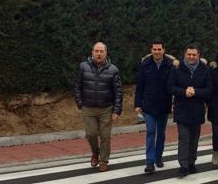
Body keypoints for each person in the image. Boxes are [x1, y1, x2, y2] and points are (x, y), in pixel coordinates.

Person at [74, 42, 123, 172]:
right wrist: (80, 103)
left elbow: (118, 91)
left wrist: (117, 110)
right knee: (91, 134)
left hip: (106, 108)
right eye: (97, 51)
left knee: (105, 136)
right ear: (92, 52)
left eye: (102, 51)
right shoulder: (83, 67)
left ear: (106, 53)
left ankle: (103, 161)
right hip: (88, 108)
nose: (99, 54)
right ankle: (95, 153)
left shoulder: (113, 70)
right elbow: (77, 86)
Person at [167, 43, 213, 177]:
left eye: (194, 54)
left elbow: (209, 90)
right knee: (184, 137)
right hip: (181, 108)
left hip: (197, 109)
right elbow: (170, 88)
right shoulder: (176, 69)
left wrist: (196, 92)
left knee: (194, 138)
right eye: (189, 54)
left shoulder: (205, 70)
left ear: (198, 55)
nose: (191, 57)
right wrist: (183, 92)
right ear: (185, 55)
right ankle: (183, 165)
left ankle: (192, 161)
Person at [135, 38, 177, 174]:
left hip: (164, 105)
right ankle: (150, 162)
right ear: (151, 50)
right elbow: (139, 86)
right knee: (151, 131)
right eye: (154, 49)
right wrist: (137, 104)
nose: (157, 52)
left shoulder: (170, 65)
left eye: (159, 49)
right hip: (149, 105)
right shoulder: (145, 65)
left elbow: (174, 85)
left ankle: (159, 157)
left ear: (164, 50)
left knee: (161, 134)